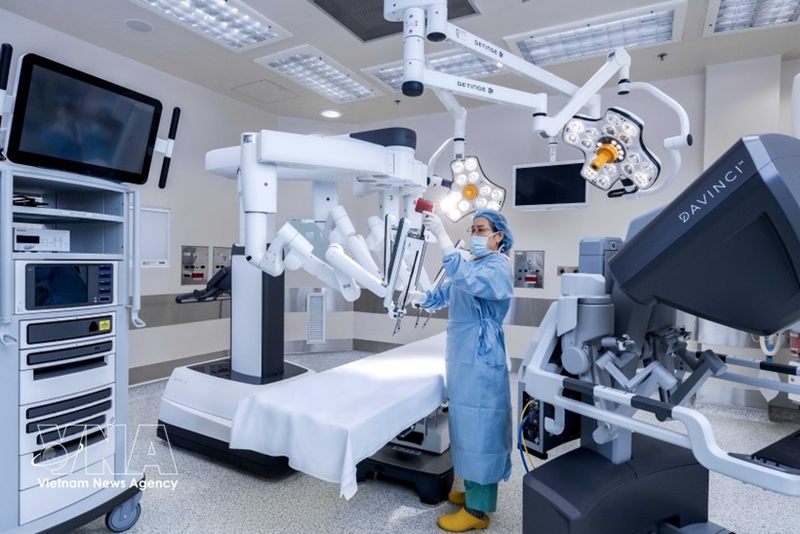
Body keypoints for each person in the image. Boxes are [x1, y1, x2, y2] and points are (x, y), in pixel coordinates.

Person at [404, 208, 515, 532]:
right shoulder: (471, 264)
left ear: (499, 236)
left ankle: (478, 513)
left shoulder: (497, 266)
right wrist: (420, 297)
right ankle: (473, 493)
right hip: (463, 355)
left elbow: (464, 278)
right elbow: (446, 292)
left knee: (481, 428)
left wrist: (442, 237)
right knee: (466, 425)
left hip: (481, 355)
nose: (475, 235)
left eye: (481, 230)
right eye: (472, 230)